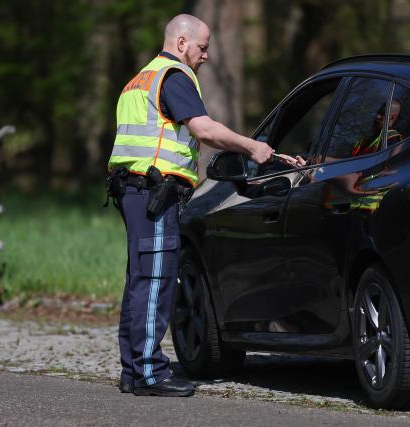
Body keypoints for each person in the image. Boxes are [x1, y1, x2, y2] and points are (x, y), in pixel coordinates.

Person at [106, 14, 274, 398]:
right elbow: (204, 129)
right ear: (182, 44)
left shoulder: (139, 79)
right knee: (155, 280)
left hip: (132, 192)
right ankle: (150, 372)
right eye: (203, 47)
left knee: (139, 280)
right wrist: (252, 147)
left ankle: (133, 370)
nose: (207, 56)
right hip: (155, 193)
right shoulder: (174, 77)